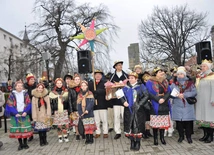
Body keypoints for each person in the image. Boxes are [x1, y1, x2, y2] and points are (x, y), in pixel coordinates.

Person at [119, 72, 149, 151]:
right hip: (128, 110)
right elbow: (120, 96)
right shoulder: (126, 87)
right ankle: (132, 141)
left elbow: (146, 96)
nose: (130, 79)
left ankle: (138, 142)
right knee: (130, 126)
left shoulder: (141, 86)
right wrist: (123, 102)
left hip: (138, 110)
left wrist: (139, 104)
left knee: (138, 126)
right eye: (129, 78)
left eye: (132, 78)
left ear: (136, 78)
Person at [170, 66, 197, 143]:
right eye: (178, 74)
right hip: (177, 105)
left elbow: (194, 92)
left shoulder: (190, 83)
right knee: (179, 123)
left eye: (181, 74)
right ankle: (181, 136)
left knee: (188, 122)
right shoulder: (174, 84)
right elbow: (171, 93)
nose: (180, 75)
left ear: (184, 74)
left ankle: (188, 137)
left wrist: (184, 95)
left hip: (187, 106)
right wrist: (177, 95)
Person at [146, 67, 171, 145]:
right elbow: (149, 93)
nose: (162, 73)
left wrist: (164, 98)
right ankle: (155, 139)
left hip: (164, 103)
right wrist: (157, 99)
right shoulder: (150, 82)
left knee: (162, 123)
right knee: (155, 124)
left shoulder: (165, 81)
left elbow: (168, 91)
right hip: (155, 104)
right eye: (160, 72)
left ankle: (162, 138)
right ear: (155, 73)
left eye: (162, 71)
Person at [5, 81, 33, 150]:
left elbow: (28, 103)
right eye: (18, 86)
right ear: (15, 87)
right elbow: (10, 104)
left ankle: (25, 143)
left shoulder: (25, 94)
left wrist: (26, 112)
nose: (20, 87)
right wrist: (15, 113)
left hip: (24, 113)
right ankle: (20, 144)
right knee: (18, 130)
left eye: (21, 86)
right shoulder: (12, 94)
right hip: (16, 114)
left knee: (25, 129)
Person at [196, 59, 214, 143]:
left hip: (209, 101)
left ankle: (210, 136)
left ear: (208, 67)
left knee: (209, 118)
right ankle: (205, 135)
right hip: (201, 101)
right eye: (202, 66)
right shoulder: (201, 76)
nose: (202, 67)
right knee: (203, 118)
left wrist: (213, 99)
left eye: (204, 66)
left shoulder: (212, 76)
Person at [109, 60, 128, 139]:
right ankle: (118, 131)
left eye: (121, 65)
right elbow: (109, 86)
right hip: (116, 99)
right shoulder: (112, 76)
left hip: (125, 99)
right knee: (116, 116)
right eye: (119, 65)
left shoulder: (126, 75)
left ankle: (127, 131)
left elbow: (129, 85)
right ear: (115, 67)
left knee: (125, 116)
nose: (120, 66)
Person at [49, 78, 71, 143]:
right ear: (55, 84)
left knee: (64, 123)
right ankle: (60, 137)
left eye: (60, 83)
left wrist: (64, 100)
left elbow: (68, 101)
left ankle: (65, 135)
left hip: (64, 110)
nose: (59, 84)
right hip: (57, 110)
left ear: (62, 84)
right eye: (57, 83)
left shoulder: (65, 92)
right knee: (59, 124)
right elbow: (51, 103)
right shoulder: (52, 93)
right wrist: (52, 111)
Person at [88, 70, 108, 138]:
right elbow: (89, 93)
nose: (98, 75)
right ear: (94, 76)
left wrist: (98, 91)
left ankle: (105, 132)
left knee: (104, 119)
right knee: (97, 120)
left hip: (103, 103)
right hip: (95, 104)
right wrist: (94, 94)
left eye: (99, 74)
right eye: (96, 74)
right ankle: (98, 132)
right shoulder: (91, 84)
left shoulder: (104, 83)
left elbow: (106, 91)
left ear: (101, 76)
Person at [135, 65, 153, 139]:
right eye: (137, 69)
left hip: (148, 100)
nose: (138, 70)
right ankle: (142, 132)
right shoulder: (135, 78)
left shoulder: (145, 75)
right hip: (140, 100)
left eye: (139, 69)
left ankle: (148, 131)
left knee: (148, 117)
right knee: (142, 118)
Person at [68, 75, 83, 140]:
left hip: (82, 107)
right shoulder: (71, 89)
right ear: (74, 80)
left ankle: (83, 133)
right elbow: (69, 100)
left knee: (82, 121)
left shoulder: (82, 88)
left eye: (78, 79)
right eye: (76, 79)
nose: (77, 81)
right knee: (76, 122)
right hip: (75, 108)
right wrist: (71, 110)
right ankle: (77, 134)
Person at [24, 73, 37, 142]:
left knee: (35, 120)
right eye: (31, 79)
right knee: (28, 120)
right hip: (27, 106)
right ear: (28, 80)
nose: (33, 80)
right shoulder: (25, 87)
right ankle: (30, 135)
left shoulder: (36, 86)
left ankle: (38, 131)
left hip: (35, 105)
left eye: (33, 79)